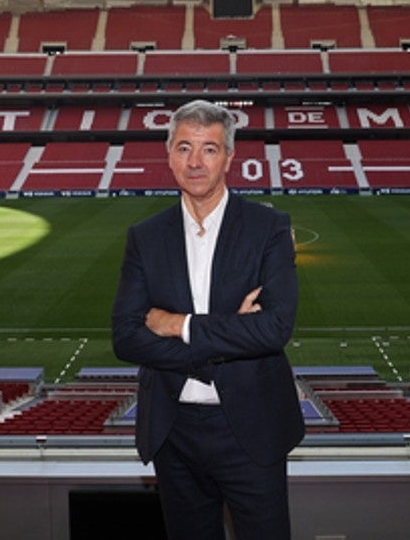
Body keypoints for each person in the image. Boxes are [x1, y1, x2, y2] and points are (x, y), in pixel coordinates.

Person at [112, 99, 304, 540]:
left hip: (251, 429)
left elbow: (274, 328)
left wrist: (180, 326)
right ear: (169, 156)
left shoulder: (269, 228)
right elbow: (126, 337)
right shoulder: (145, 237)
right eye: (183, 148)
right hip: (173, 432)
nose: (195, 162)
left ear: (229, 158)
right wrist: (228, 333)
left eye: (209, 149)